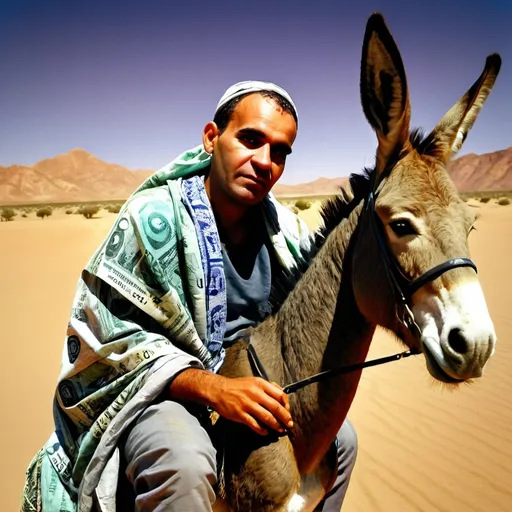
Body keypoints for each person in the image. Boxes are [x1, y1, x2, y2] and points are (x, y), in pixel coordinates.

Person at [21, 81, 358, 512]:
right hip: (166, 394)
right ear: (212, 138)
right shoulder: (152, 218)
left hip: (256, 387)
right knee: (185, 462)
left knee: (342, 441)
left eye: (280, 151)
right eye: (251, 139)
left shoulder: (285, 233)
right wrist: (215, 389)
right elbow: (109, 342)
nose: (265, 162)